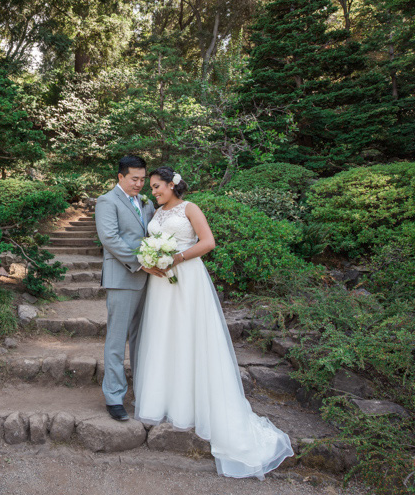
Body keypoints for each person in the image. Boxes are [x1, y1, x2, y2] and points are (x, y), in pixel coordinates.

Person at [133, 166, 294, 479]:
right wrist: (151, 259)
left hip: (187, 278)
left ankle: (195, 402)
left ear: (171, 184)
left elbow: (208, 243)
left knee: (189, 336)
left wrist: (175, 258)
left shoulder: (190, 208)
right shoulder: (156, 211)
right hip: (160, 283)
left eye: (157, 186)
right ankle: (165, 396)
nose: (153, 192)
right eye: (151, 187)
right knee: (163, 336)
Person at [94, 155, 160, 422]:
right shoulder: (107, 201)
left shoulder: (146, 203)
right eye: (135, 179)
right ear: (120, 177)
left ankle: (143, 391)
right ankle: (113, 396)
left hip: (150, 279)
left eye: (143, 179)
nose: (140, 184)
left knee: (142, 338)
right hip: (123, 277)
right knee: (117, 340)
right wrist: (141, 262)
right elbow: (109, 237)